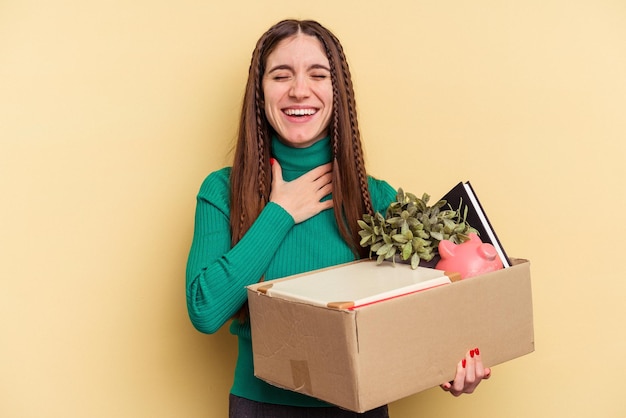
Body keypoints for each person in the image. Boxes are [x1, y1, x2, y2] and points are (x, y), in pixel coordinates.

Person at [186, 19, 491, 418]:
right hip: (260, 407)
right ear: (259, 92)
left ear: (337, 92)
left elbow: (419, 315)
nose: (299, 90)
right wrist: (279, 214)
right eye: (281, 75)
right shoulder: (222, 191)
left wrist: (451, 365)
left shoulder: (376, 200)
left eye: (318, 74)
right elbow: (204, 310)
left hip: (360, 408)